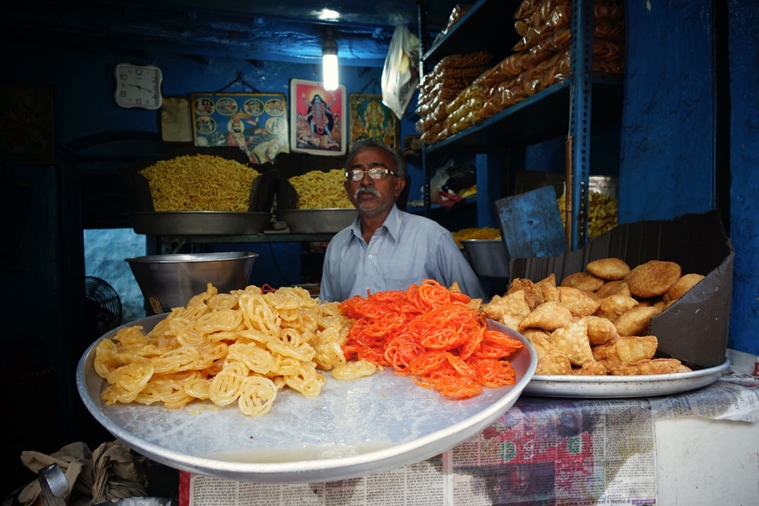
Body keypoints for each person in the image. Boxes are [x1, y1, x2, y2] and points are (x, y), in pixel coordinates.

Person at [319, 138, 487, 303]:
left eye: (378, 172)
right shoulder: (337, 246)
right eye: (356, 174)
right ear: (347, 188)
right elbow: (326, 315)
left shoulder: (432, 237)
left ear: (398, 186)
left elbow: (475, 306)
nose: (365, 181)